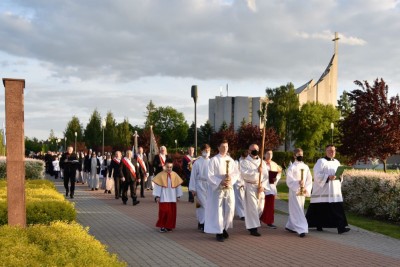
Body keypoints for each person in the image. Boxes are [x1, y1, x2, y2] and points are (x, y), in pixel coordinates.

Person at [306, 144, 351, 234]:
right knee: (319, 208)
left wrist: (340, 176)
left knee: (337, 208)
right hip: (323, 190)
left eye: (333, 151)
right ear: (326, 151)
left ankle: (340, 227)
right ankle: (317, 225)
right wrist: (328, 177)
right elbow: (317, 175)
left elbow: (339, 175)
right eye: (330, 150)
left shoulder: (337, 162)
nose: (332, 152)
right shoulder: (321, 161)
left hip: (334, 190)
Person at [204, 139, 239, 242]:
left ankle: (224, 227)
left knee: (230, 209)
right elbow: (209, 175)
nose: (225, 149)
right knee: (218, 210)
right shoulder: (213, 160)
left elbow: (236, 173)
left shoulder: (231, 160)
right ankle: (219, 231)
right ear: (218, 148)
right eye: (223, 147)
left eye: (227, 147)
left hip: (228, 188)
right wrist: (220, 181)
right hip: (218, 190)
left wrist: (230, 180)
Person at [240, 144, 268, 237]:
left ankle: (252, 224)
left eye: (256, 149)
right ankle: (253, 228)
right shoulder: (245, 162)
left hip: (259, 187)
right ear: (249, 151)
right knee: (252, 208)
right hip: (250, 186)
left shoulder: (262, 162)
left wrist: (263, 186)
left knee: (260, 207)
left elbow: (266, 176)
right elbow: (245, 174)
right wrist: (256, 171)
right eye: (252, 150)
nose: (255, 151)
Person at [285, 148, 312, 237]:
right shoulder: (291, 168)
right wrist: (297, 183)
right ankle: (302, 229)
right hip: (294, 191)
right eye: (298, 155)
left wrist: (306, 188)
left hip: (303, 191)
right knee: (298, 209)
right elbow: (289, 180)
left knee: (298, 208)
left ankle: (290, 226)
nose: (300, 156)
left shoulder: (306, 167)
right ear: (294, 156)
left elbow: (309, 179)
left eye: (301, 155)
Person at [153, 158, 183, 233]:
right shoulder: (160, 175)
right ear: (165, 166)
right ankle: (162, 226)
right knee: (163, 212)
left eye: (170, 167)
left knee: (171, 213)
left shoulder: (175, 175)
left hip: (172, 197)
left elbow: (178, 186)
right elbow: (158, 186)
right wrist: (157, 196)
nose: (169, 169)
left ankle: (169, 226)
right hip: (164, 197)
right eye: (167, 167)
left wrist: (178, 195)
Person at [189, 144, 211, 232]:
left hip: (209, 185)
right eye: (205, 150)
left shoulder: (211, 161)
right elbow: (193, 176)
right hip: (199, 185)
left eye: (208, 151)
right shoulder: (197, 162)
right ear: (201, 151)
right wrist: (193, 189)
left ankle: (203, 222)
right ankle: (203, 222)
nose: (206, 152)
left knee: (207, 205)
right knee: (202, 205)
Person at [260, 148, 282, 229]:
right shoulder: (260, 163)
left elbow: (279, 173)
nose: (270, 155)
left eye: (271, 154)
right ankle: (258, 219)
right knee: (260, 205)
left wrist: (276, 178)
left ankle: (269, 221)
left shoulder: (274, 164)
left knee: (270, 206)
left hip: (271, 187)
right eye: (268, 153)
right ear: (264, 154)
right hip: (262, 187)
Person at [234, 151, 247, 221]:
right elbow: (236, 174)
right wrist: (240, 183)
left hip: (246, 183)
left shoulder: (247, 162)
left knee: (245, 199)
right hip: (239, 184)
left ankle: (245, 213)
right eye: (244, 157)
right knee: (240, 199)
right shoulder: (237, 162)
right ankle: (241, 214)